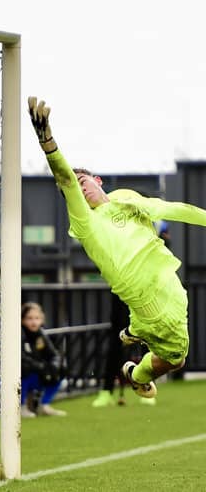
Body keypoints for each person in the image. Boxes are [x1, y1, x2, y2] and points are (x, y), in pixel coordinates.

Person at [28, 96, 206, 399]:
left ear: (97, 180)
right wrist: (48, 143)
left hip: (169, 282)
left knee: (177, 356)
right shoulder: (85, 223)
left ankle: (136, 336)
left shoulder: (126, 196)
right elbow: (65, 180)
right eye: (74, 187)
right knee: (177, 359)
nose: (79, 188)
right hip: (144, 297)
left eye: (83, 181)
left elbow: (171, 208)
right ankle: (135, 373)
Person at [92, 222, 172, 407]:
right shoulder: (120, 231)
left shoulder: (157, 228)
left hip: (146, 296)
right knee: (115, 344)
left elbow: (165, 256)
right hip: (122, 295)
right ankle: (106, 391)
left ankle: (146, 388)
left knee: (146, 343)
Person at [19, 302, 67, 418]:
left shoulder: (41, 335)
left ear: (42, 319)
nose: (34, 322)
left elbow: (54, 354)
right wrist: (41, 367)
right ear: (22, 320)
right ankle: (20, 406)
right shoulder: (18, 334)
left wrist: (54, 366)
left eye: (37, 318)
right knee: (24, 370)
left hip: (36, 372)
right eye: (29, 318)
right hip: (15, 376)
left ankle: (44, 404)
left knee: (61, 370)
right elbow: (22, 358)